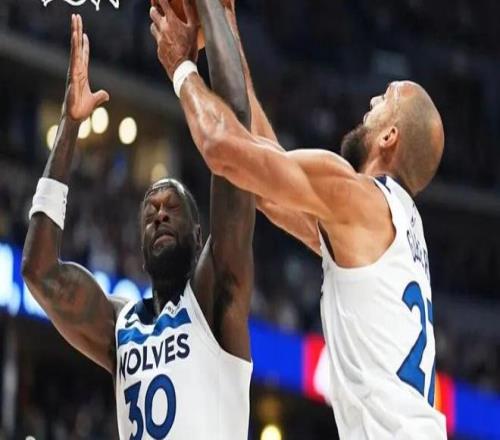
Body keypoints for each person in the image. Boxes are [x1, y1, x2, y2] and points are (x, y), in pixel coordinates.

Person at [149, 1, 447, 437]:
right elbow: (267, 190)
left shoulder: (359, 199)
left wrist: (181, 70)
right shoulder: (393, 226)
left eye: (386, 98)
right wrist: (226, 28)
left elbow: (221, 148)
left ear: (389, 136)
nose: (372, 100)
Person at [22, 9, 255, 439]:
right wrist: (70, 125)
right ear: (140, 249)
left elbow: (237, 134)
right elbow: (39, 272)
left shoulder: (213, 300)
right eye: (150, 211)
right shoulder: (121, 325)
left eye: (171, 208)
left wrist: (206, 22)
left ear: (198, 236)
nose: (159, 214)